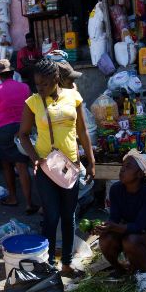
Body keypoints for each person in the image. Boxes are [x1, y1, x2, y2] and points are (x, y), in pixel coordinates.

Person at [19, 59, 96, 277]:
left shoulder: (73, 96)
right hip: (46, 168)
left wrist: (91, 161)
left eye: (44, 84)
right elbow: (23, 135)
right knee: (51, 217)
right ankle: (50, 263)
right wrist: (34, 158)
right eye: (36, 84)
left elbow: (82, 131)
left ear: (56, 79)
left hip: (70, 166)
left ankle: (67, 264)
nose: (39, 88)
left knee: (69, 216)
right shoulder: (32, 102)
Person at [96, 150, 146, 276]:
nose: (122, 169)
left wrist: (112, 226)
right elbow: (114, 218)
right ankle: (119, 269)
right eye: (123, 166)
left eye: (128, 167)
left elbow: (138, 227)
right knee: (105, 239)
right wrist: (102, 228)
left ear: (140, 174)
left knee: (131, 240)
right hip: (128, 236)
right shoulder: (116, 189)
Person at [0, 59, 37, 214]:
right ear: (12, 73)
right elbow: (32, 109)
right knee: (22, 165)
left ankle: (13, 197)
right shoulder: (25, 87)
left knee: (6, 164)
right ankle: (29, 203)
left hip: (3, 130)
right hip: (23, 128)